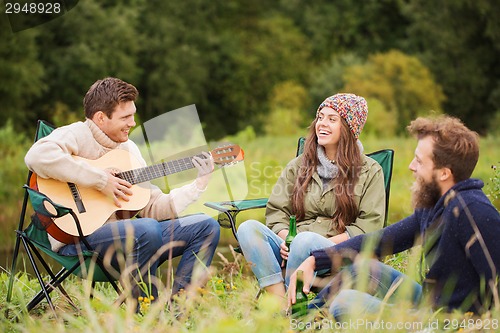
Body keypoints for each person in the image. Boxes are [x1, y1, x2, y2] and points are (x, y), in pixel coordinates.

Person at [25, 77, 220, 306]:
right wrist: (99, 180)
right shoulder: (77, 134)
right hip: (79, 239)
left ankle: (179, 309)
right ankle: (147, 309)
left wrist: (198, 184)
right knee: (146, 230)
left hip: (130, 238)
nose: (133, 123)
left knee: (206, 227)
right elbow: (36, 156)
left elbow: (153, 206)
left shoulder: (129, 149)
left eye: (133, 115)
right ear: (100, 117)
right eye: (125, 117)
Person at [288, 115, 500, 318]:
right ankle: (304, 317)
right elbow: (377, 242)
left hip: (448, 320)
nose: (411, 166)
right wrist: (315, 260)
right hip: (428, 302)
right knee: (364, 268)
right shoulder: (434, 206)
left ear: (444, 173)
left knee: (346, 303)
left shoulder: (474, 212)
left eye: (419, 161)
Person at [237, 93, 386, 300]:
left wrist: (306, 245)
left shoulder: (370, 171)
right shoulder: (298, 165)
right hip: (293, 244)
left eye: (332, 119)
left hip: (338, 250)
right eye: (320, 117)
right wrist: (286, 240)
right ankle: (281, 304)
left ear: (350, 129)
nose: (322, 124)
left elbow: (369, 226)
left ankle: (294, 304)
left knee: (304, 241)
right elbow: (277, 211)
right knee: (248, 228)